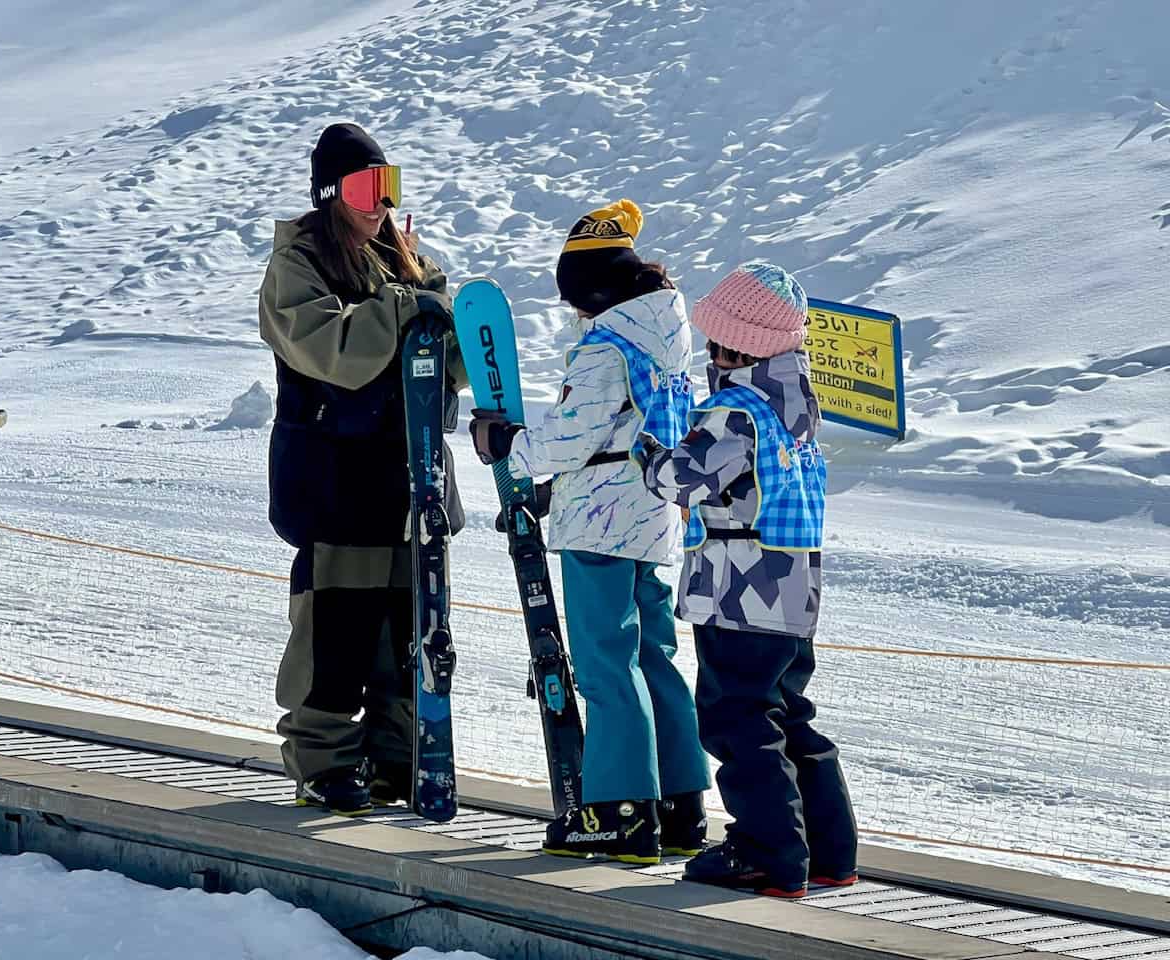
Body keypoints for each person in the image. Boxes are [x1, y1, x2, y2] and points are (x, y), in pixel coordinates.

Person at [470, 200, 711, 864]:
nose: (574, 312)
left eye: (574, 299)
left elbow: (573, 436)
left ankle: (620, 812)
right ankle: (679, 803)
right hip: (652, 515)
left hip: (601, 522)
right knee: (653, 655)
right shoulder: (665, 336)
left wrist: (510, 445)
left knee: (607, 663)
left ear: (593, 290)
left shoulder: (607, 346)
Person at [259, 122, 466, 816]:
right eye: (362, 189)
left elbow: (450, 364)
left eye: (387, 185)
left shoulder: (403, 258)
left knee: (406, 631)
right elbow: (335, 352)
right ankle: (323, 761)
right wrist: (408, 305)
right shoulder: (298, 266)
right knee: (336, 632)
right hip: (336, 480)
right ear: (329, 194)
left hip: (409, 479)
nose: (379, 203)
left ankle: (395, 757)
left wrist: (441, 314)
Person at [639, 261, 858, 897]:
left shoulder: (735, 412)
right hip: (793, 590)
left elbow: (681, 479)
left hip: (739, 591)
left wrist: (653, 444)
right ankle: (829, 850)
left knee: (737, 717)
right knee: (787, 712)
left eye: (720, 344)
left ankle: (768, 852)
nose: (713, 354)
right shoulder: (796, 409)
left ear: (741, 347)